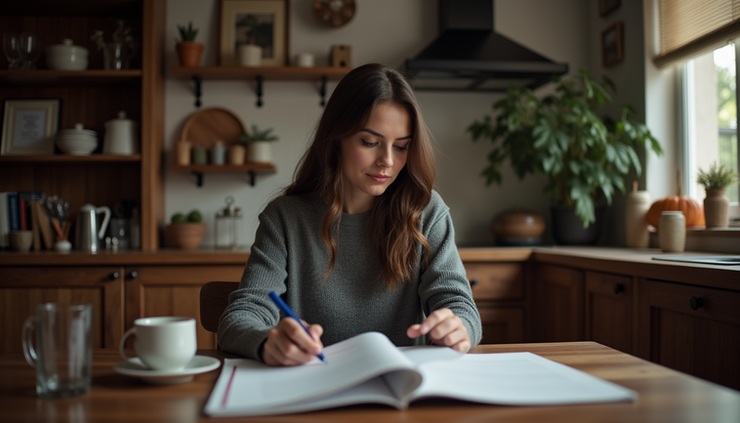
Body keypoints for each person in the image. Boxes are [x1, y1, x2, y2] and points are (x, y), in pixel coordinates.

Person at [218, 63, 482, 366]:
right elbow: (243, 314)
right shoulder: (285, 219)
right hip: (313, 389)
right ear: (336, 139)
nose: (387, 161)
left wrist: (460, 328)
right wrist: (267, 341)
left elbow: (460, 305)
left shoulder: (426, 211)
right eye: (370, 142)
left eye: (401, 147)